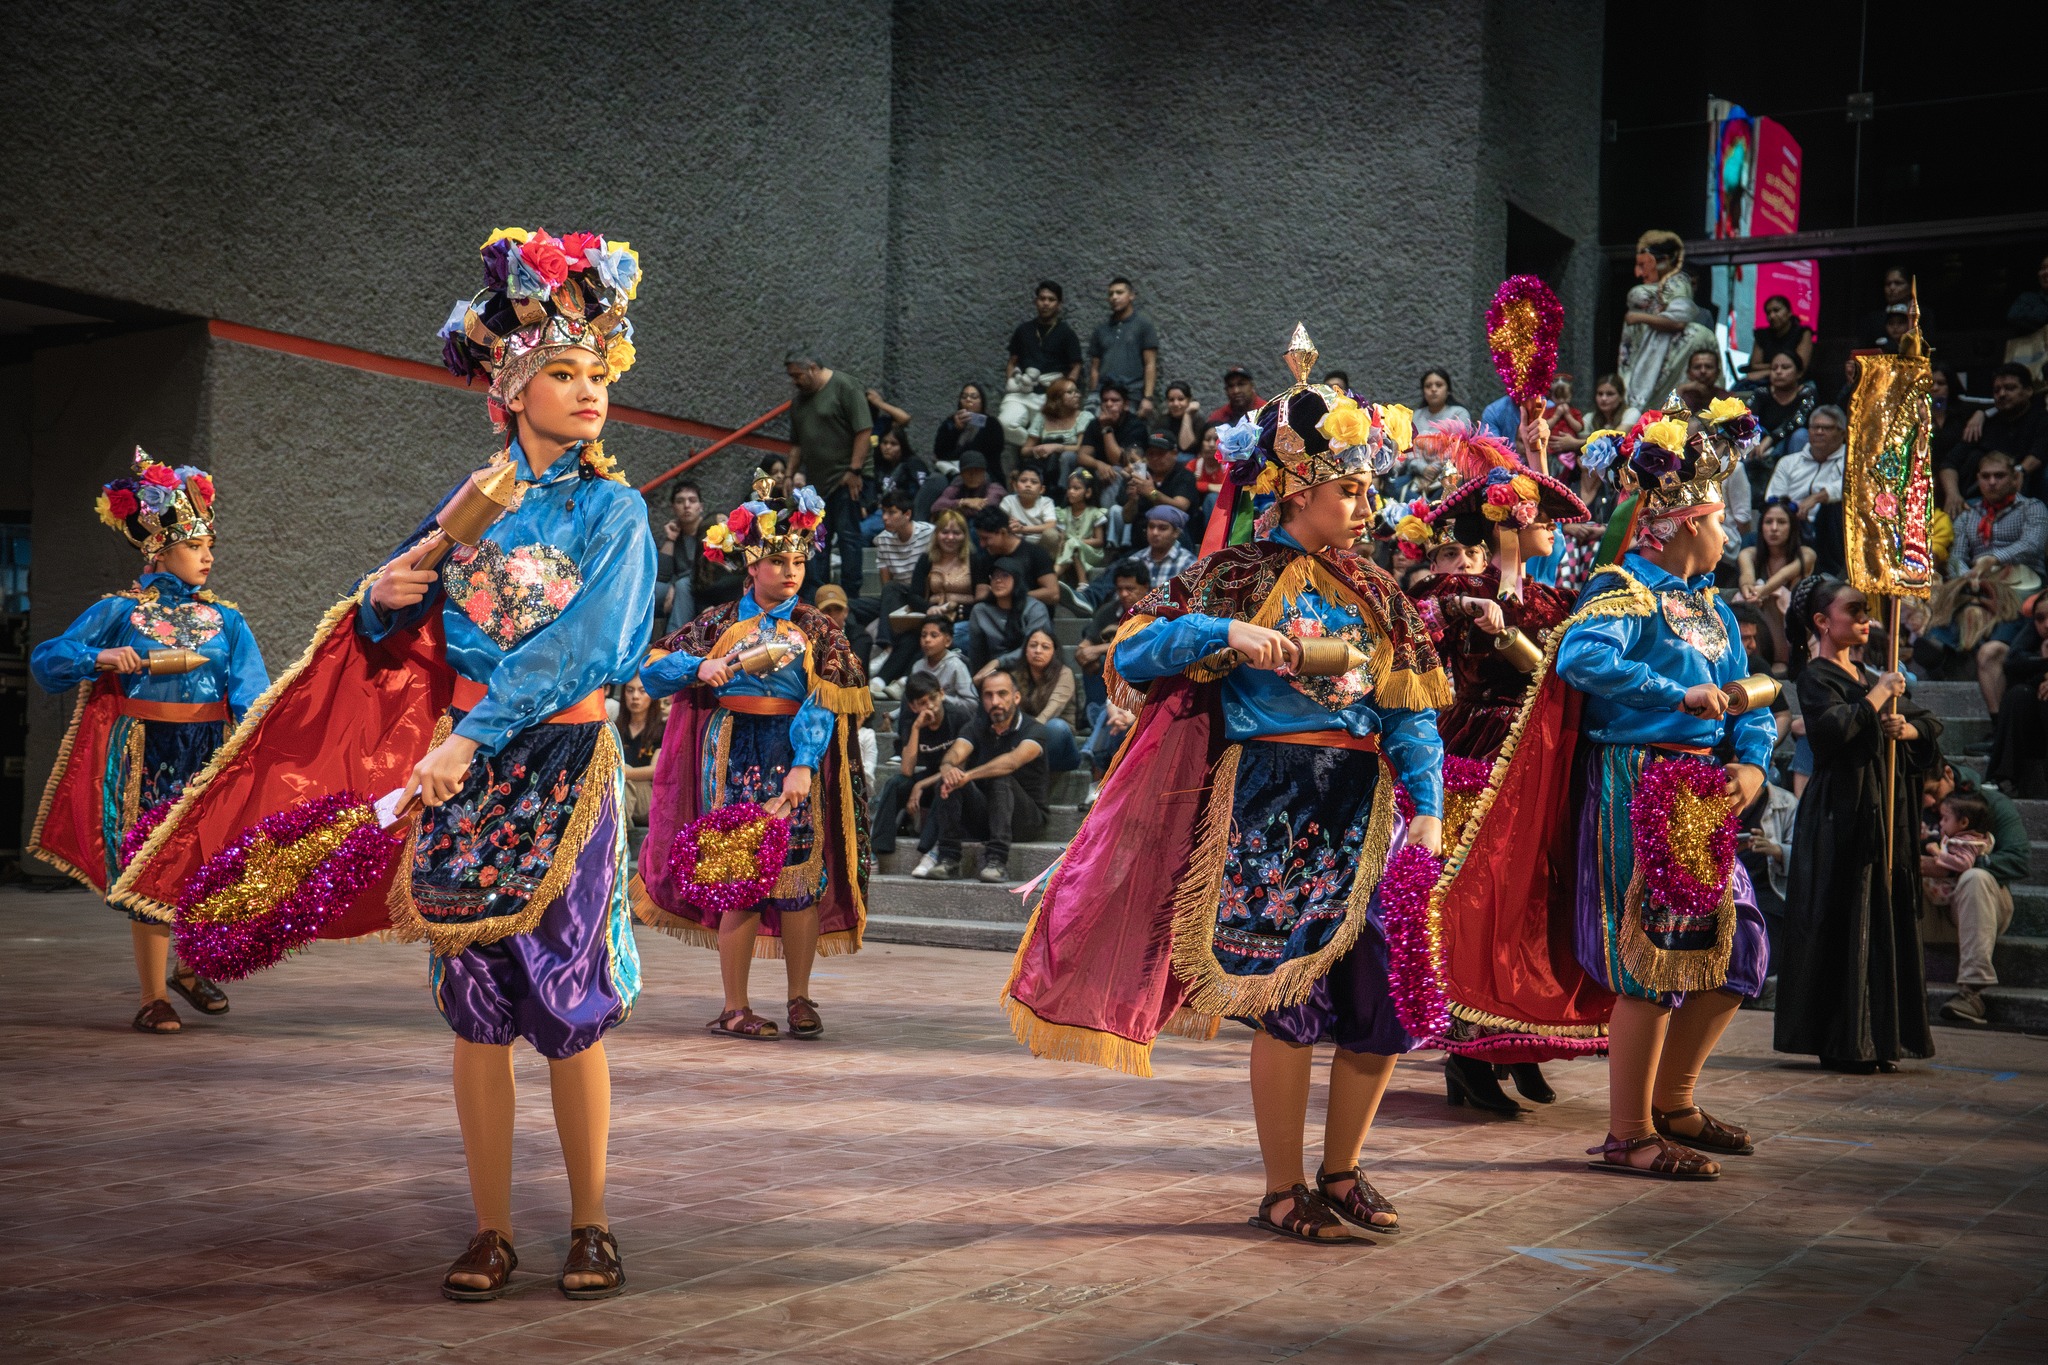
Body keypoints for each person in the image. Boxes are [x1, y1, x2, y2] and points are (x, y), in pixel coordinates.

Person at [118, 228, 658, 1299]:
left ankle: (591, 1222)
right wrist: (377, 603)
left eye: (597, 372)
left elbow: (591, 644)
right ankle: (492, 1228)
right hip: (461, 772)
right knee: (475, 995)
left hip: (558, 763)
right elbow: (394, 613)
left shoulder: (616, 510)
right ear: (508, 389)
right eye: (562, 371)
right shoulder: (471, 502)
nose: (588, 389)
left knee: (569, 992)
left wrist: (471, 733)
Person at [1005, 338, 1451, 1243]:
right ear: (1296, 490)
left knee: (1385, 1001)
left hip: (1364, 805)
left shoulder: (1380, 593)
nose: (1366, 506)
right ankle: (1285, 1188)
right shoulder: (1233, 576)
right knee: (1286, 1003)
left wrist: (1431, 805)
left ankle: (1343, 1168)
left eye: (1369, 489)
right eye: (1350, 489)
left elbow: (1410, 714)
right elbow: (1131, 652)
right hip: (1272, 805)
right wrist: (1229, 635)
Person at [1555, 404, 1777, 1179]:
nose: (1729, 536)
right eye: (1721, 520)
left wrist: (1752, 761)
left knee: (1742, 944)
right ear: (1684, 523)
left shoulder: (1712, 609)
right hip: (1639, 781)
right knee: (1649, 955)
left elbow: (1751, 697)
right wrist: (1669, 694)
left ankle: (1673, 1101)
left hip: (1707, 789)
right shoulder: (1625, 590)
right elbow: (1579, 657)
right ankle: (1628, 1130)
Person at [33, 449, 268, 1033]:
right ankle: (151, 995)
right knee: (151, 864)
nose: (208, 557)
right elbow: (48, 660)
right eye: (195, 546)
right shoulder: (119, 611)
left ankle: (187, 969)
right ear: (158, 550)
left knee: (205, 864)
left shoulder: (229, 622)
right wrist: (99, 656)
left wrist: (257, 750)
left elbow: (252, 693)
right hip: (144, 751)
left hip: (206, 749)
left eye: (211, 545)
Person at [637, 472, 872, 1047]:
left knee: (798, 879)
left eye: (797, 561)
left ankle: (798, 998)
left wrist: (804, 763)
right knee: (738, 875)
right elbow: (650, 669)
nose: (790, 571)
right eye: (777, 561)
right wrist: (699, 668)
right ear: (751, 564)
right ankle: (734, 1006)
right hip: (731, 749)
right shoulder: (717, 623)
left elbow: (824, 703)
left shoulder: (818, 627)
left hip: (791, 751)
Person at [1403, 422, 1592, 1113]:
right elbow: (1426, 616)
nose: (1553, 531)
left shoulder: (1545, 599)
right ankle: (1466, 1051)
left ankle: (1519, 1043)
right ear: (1515, 522)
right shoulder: (1463, 586)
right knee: (1471, 897)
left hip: (1534, 748)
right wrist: (1463, 609)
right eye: (1541, 517)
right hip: (1478, 749)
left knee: (1527, 900)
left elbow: (1554, 667)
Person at [1775, 576, 1943, 1074]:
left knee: (1881, 916)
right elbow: (1828, 734)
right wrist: (1877, 699)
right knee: (1841, 916)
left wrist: (1906, 727)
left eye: (1868, 611)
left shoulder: (1873, 674)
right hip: (1839, 813)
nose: (1866, 619)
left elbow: (1930, 724)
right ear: (1824, 622)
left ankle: (1878, 1037)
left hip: (1882, 809)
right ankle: (1841, 1040)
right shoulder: (1816, 676)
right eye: (1854, 610)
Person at [1919, 451, 2048, 712]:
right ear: (1978, 479)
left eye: (1999, 476)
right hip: (1975, 578)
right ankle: (1935, 640)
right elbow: (1957, 556)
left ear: (2014, 479)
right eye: (1986, 476)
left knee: (1997, 585)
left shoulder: (2032, 508)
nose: (1992, 482)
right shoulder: (1968, 514)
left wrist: (1992, 559)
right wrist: (1966, 575)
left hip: (2021, 579)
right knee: (1953, 591)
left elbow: (2032, 546)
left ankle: (1944, 642)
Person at [1920, 761, 2029, 1026]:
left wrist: (1950, 869)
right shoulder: (1915, 803)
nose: (1928, 801)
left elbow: (2018, 860)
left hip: (1977, 906)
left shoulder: (1991, 804)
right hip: (1929, 909)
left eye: (1933, 791)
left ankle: (1971, 994)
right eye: (1920, 793)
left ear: (1948, 774)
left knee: (1975, 878)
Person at [928, 669, 1051, 882]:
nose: (995, 701)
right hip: (988, 815)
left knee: (1000, 777)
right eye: (988, 695)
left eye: (1002, 694)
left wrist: (969, 775)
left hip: (1026, 820)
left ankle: (997, 861)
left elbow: (1012, 762)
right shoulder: (976, 727)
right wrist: (948, 769)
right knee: (949, 780)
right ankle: (948, 858)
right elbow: (956, 753)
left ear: (1016, 697)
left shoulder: (1034, 730)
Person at [784, 348, 871, 596]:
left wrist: (854, 469)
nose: (794, 381)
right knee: (818, 541)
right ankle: (818, 594)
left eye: (797, 375)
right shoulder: (799, 403)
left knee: (848, 538)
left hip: (846, 478)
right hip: (817, 484)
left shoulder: (845, 386)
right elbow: (797, 444)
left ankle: (851, 594)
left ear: (812, 368)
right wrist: (790, 474)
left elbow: (863, 430)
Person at [872, 672, 972, 868]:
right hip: (932, 774)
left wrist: (921, 784)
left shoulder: (959, 717)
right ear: (913, 706)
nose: (930, 706)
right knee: (895, 784)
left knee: (945, 784)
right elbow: (907, 770)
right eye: (922, 703)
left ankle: (929, 849)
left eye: (933, 699)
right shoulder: (911, 722)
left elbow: (960, 767)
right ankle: (877, 850)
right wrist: (917, 728)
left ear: (942, 694)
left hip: (960, 779)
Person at [1618, 230, 1718, 415]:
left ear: (1662, 259)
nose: (1640, 270)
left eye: (1645, 262)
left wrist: (1640, 317)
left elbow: (1678, 319)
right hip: (1639, 348)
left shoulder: (1678, 283)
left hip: (1666, 354)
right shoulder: (1660, 284)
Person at [983, 625, 1080, 772]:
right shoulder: (1016, 676)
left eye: (1045, 647)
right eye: (1033, 646)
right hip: (1027, 741)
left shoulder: (1064, 674)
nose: (1038, 651)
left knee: (1056, 727)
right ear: (1025, 650)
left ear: (1054, 652)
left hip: (1060, 747)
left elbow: (1051, 711)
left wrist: (1025, 737)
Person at [1949, 364, 2048, 503]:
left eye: (2010, 388)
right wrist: (1952, 496)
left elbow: (2039, 452)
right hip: (1983, 498)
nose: (2002, 394)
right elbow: (1950, 463)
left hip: (2030, 496)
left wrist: (2019, 471)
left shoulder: (2042, 419)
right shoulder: (1982, 423)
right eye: (1997, 390)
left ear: (2028, 391)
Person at [1765, 404, 1846, 572]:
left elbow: (1847, 486)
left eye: (1827, 428)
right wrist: (1790, 512)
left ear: (1843, 433)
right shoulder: (1789, 462)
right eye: (1815, 427)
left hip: (1829, 530)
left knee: (1832, 508)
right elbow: (1773, 497)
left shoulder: (1851, 462)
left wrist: (1816, 498)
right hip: (1793, 527)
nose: (1819, 432)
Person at [1738, 498, 1814, 667]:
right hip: (1761, 619)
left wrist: (1760, 592)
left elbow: (1783, 576)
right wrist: (1748, 591)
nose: (1774, 528)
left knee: (1779, 594)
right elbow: (1747, 577)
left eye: (1781, 522)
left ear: (1792, 527)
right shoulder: (1750, 553)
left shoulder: (1806, 554)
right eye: (1768, 522)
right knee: (1740, 598)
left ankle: (1782, 660)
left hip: (1795, 632)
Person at [1986, 592, 2048, 797]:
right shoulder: (2034, 635)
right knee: (2018, 694)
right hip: (2035, 725)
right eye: (2040, 618)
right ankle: (2002, 778)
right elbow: (2013, 663)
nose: (2046, 624)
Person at [1002, 280, 1085, 431]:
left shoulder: (1066, 333)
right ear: (1036, 301)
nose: (1046, 303)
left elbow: (1076, 365)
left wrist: (1065, 390)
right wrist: (1012, 382)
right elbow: (1012, 362)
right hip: (1022, 392)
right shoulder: (1023, 330)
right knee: (1005, 424)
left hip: (1050, 395)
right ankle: (1030, 445)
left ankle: (1036, 445)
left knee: (1050, 432)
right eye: (1042, 299)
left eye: (1051, 299)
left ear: (1059, 304)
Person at [1088, 277, 1160, 418]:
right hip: (1103, 392)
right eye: (1111, 294)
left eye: (1119, 292)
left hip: (1131, 393)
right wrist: (1093, 393)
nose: (1114, 297)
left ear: (1131, 295)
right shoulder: (1101, 329)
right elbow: (1095, 368)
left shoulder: (1143, 325)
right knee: (1090, 428)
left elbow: (1150, 364)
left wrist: (1148, 397)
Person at [965, 556, 1052, 671]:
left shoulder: (1035, 608)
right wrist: (977, 679)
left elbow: (1034, 649)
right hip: (994, 673)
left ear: (1017, 579)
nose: (998, 580)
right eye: (994, 576)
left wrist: (998, 662)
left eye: (1005, 575)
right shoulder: (981, 611)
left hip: (1029, 669)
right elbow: (976, 654)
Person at [1076, 382, 1148, 502]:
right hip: (1099, 471)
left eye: (1115, 400)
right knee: (1079, 471)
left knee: (1115, 471)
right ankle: (1072, 512)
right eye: (1105, 400)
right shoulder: (1094, 423)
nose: (1109, 404)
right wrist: (1099, 464)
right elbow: (1082, 456)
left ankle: (1107, 516)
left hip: (1126, 475)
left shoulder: (1136, 426)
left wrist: (1107, 428)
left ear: (1126, 405)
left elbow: (1120, 461)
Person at [932, 381, 1009, 485]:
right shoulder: (951, 422)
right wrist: (956, 429)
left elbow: (978, 454)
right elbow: (939, 451)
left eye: (974, 397)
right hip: (952, 469)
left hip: (983, 471)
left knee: (960, 480)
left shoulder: (991, 424)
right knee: (935, 479)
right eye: (964, 397)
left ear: (982, 402)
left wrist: (950, 456)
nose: (968, 400)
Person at [656, 478, 705, 634]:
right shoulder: (676, 535)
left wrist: (676, 584)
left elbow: (708, 571)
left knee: (684, 584)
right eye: (680, 501)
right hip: (682, 588)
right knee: (654, 590)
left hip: (707, 588)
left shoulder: (711, 530)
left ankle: (673, 640)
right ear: (673, 508)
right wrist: (670, 538)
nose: (686, 506)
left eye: (692, 500)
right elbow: (661, 576)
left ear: (700, 507)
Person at [1020, 377, 1088, 485]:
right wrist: (1038, 449)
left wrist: (1057, 447)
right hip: (1046, 463)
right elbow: (1025, 450)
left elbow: (1082, 449)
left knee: (1066, 457)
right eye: (1070, 392)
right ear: (1057, 398)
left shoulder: (1084, 417)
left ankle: (1061, 493)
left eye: (1077, 392)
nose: (1077, 395)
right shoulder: (1042, 418)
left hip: (1075, 467)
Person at [1053, 467, 1109, 595]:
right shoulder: (1063, 513)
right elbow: (1061, 539)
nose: (1071, 492)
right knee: (1071, 545)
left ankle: (1062, 577)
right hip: (1069, 551)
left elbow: (1099, 541)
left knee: (1074, 544)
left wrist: (1078, 541)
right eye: (1069, 488)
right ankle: (1077, 580)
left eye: (1076, 488)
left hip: (1091, 552)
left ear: (1088, 492)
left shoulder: (1095, 513)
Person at [617, 676, 662, 828]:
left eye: (642, 691)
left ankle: (620, 833)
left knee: (624, 781)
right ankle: (621, 828)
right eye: (630, 690)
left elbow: (655, 770)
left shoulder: (662, 729)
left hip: (648, 796)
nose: (635, 696)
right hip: (619, 788)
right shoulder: (615, 728)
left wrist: (621, 773)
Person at [1121, 504, 1195, 591]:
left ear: (1176, 533)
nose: (1155, 532)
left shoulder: (1189, 564)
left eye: (1162, 528)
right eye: (1151, 527)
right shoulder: (1135, 560)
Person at [1742, 294, 1814, 381]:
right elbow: (1754, 365)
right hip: (1764, 381)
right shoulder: (1762, 334)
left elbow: (1800, 367)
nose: (1771, 316)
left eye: (1776, 310)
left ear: (1789, 312)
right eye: (1768, 313)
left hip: (1795, 383)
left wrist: (1765, 372)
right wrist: (1783, 367)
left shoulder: (1803, 333)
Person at [931, 451, 1005, 521]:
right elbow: (936, 507)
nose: (972, 475)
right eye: (968, 471)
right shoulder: (958, 486)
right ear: (962, 474)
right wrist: (963, 502)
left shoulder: (994, 488)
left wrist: (957, 509)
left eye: (977, 471)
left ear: (983, 473)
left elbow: (986, 509)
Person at [999, 465, 1059, 549]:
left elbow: (1051, 525)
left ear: (1041, 489)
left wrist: (1023, 529)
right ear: (1015, 486)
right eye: (1023, 481)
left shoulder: (1046, 502)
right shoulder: (1009, 501)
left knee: (1051, 534)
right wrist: (1009, 522)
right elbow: (999, 522)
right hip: (1016, 543)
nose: (1028, 485)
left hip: (1040, 544)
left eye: (1034, 482)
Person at [1409, 368, 1471, 441]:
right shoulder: (1416, 416)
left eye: (1439, 385)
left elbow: (1458, 445)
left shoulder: (1459, 414)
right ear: (1423, 391)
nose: (1433, 389)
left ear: (1448, 390)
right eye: (1428, 386)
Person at [1157, 380, 1210, 456]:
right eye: (1171, 400)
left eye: (1181, 399)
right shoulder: (1163, 420)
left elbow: (1185, 446)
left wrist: (1187, 415)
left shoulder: (1198, 419)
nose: (1175, 404)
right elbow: (1156, 438)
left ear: (1189, 400)